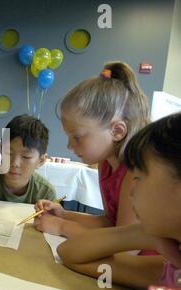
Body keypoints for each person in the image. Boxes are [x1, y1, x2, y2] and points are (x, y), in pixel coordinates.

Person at [57, 113, 181, 290]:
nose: (130, 191)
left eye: (138, 177)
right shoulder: (173, 271)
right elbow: (68, 252)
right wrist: (148, 235)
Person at [33, 62, 150, 238]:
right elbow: (110, 223)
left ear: (117, 131)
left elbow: (125, 246)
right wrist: (63, 214)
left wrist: (62, 227)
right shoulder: (105, 164)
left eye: (77, 137)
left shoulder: (135, 173)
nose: (69, 146)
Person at [0, 114, 56, 203]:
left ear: (41, 160)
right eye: (8, 153)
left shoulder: (45, 194)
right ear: (0, 151)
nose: (15, 163)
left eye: (26, 157)